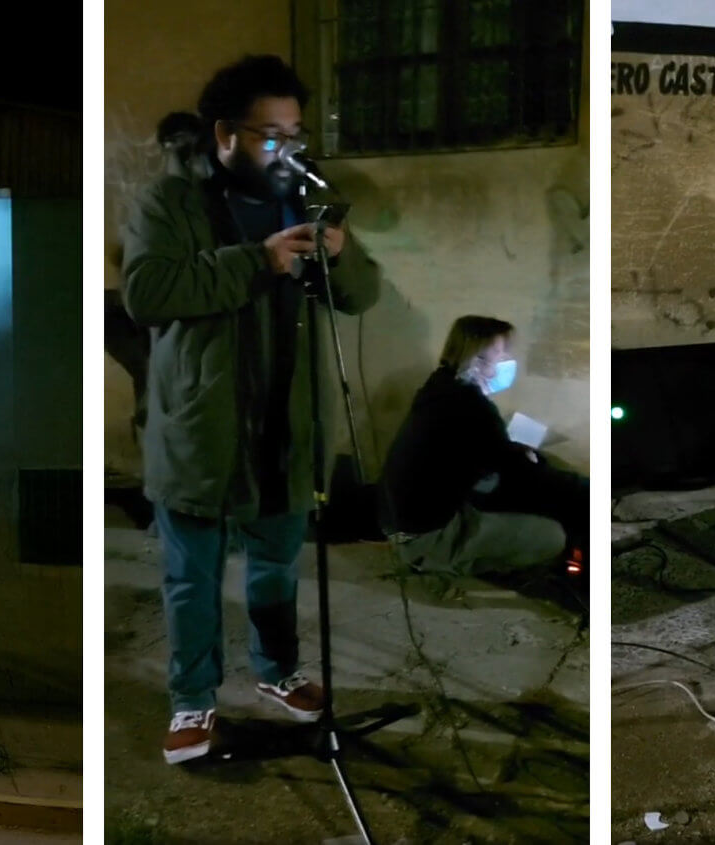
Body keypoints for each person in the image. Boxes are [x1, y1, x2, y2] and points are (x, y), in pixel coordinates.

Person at [122, 54, 382, 765]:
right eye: (270, 135)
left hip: (286, 427)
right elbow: (147, 293)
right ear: (224, 135)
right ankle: (192, 700)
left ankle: (278, 671)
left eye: (294, 133)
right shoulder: (169, 204)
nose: (286, 149)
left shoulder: (303, 198)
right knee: (192, 579)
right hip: (198, 430)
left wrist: (341, 253)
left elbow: (361, 296)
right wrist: (254, 261)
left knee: (276, 566)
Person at [379, 316, 588, 578]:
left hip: (404, 524)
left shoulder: (440, 387)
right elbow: (523, 474)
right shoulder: (471, 407)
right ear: (476, 359)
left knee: (515, 485)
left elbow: (486, 451)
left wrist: (514, 453)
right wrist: (586, 490)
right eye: (501, 354)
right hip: (428, 538)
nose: (507, 361)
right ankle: (450, 563)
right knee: (551, 536)